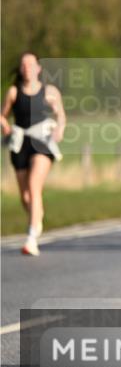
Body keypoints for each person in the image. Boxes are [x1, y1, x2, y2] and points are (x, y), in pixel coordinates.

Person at [2, 52, 65, 256]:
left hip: (41, 142)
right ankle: (36, 218)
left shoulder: (49, 91)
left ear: (38, 68)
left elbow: (60, 114)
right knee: (25, 196)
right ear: (21, 69)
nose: (27, 67)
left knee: (33, 185)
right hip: (20, 142)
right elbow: (3, 116)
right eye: (23, 65)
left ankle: (31, 238)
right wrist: (5, 126)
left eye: (31, 64)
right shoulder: (13, 92)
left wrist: (59, 129)